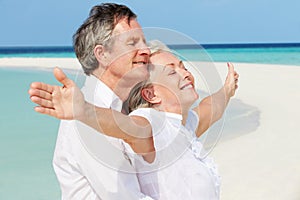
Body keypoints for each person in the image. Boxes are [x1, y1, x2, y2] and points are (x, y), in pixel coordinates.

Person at [29, 41, 239, 199]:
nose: (184, 73)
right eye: (171, 70)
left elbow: (210, 109)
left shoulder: (182, 125)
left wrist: (227, 90)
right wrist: (84, 110)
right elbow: (128, 128)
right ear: (151, 95)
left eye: (182, 66)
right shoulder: (152, 121)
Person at [29, 3, 154, 200]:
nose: (146, 50)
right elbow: (123, 195)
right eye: (132, 43)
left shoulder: (117, 108)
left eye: (144, 42)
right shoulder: (86, 114)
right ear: (102, 54)